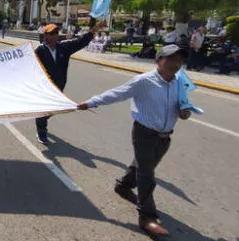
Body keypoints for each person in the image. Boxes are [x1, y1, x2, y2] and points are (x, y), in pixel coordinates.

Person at [77, 45, 191, 238]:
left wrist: (185, 111)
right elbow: (117, 93)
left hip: (165, 136)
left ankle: (123, 185)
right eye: (170, 59)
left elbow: (183, 103)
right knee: (147, 173)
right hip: (144, 133)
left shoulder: (179, 82)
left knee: (143, 164)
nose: (175, 64)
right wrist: (90, 102)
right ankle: (147, 217)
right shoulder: (144, 81)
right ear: (158, 61)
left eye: (179, 60)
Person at [34, 21, 106, 144]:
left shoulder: (64, 47)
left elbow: (81, 41)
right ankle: (41, 131)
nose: (53, 35)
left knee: (53, 109)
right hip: (44, 88)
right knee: (44, 110)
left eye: (55, 33)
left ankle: (41, 119)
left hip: (59, 87)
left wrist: (95, 28)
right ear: (45, 35)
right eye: (50, 33)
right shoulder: (39, 50)